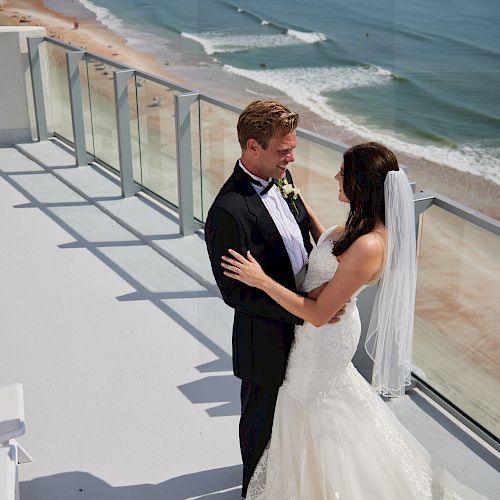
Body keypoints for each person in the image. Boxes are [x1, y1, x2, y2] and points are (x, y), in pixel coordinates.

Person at [221, 142, 486, 499]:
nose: (336, 177)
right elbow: (331, 248)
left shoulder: (371, 244)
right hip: (322, 332)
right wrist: (297, 203)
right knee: (318, 403)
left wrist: (262, 280)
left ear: (361, 184)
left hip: (324, 337)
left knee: (309, 403)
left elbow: (318, 315)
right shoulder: (362, 228)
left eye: (343, 174)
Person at [205, 100, 345, 497]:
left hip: (307, 333)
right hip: (265, 341)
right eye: (284, 150)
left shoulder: (283, 178)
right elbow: (235, 293)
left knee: (298, 422)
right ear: (253, 147)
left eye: (292, 148)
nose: (292, 157)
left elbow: (305, 236)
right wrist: (306, 310)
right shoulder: (228, 212)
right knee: (260, 428)